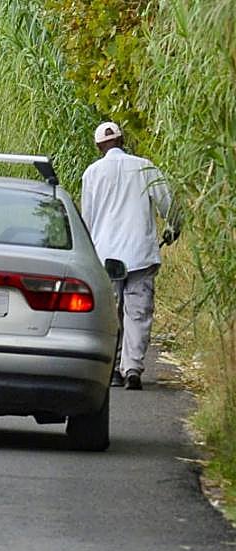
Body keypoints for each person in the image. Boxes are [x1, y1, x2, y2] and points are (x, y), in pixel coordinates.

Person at [80, 120, 178, 391]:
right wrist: (173, 228)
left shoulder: (92, 173)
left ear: (99, 146)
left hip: (106, 255)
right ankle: (132, 367)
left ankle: (111, 369)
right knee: (138, 311)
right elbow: (168, 205)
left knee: (111, 312)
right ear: (123, 141)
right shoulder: (145, 166)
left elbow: (87, 218)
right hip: (139, 253)